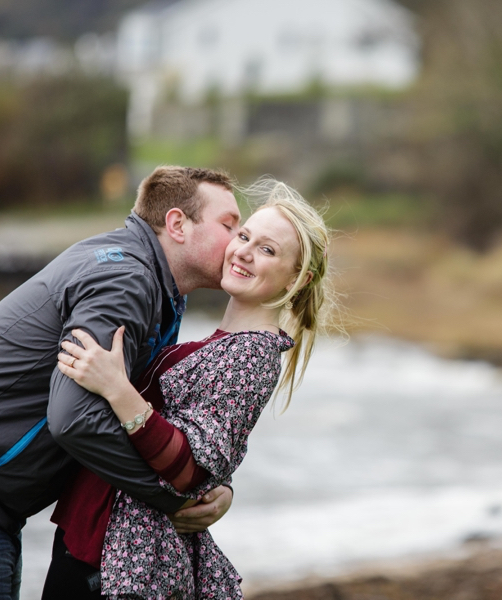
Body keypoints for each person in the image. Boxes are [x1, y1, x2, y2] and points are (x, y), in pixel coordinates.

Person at [0, 166, 242, 599]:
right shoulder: (127, 280)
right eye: (228, 225)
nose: (239, 242)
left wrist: (211, 485)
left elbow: (151, 416)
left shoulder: (153, 285)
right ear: (177, 224)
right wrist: (173, 500)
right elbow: (75, 419)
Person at [45, 179, 332, 598]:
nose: (244, 251)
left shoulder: (250, 355)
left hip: (124, 556)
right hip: (98, 536)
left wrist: (117, 387)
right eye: (244, 235)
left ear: (298, 279)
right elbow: (212, 453)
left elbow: (190, 469)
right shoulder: (219, 343)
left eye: (268, 250)